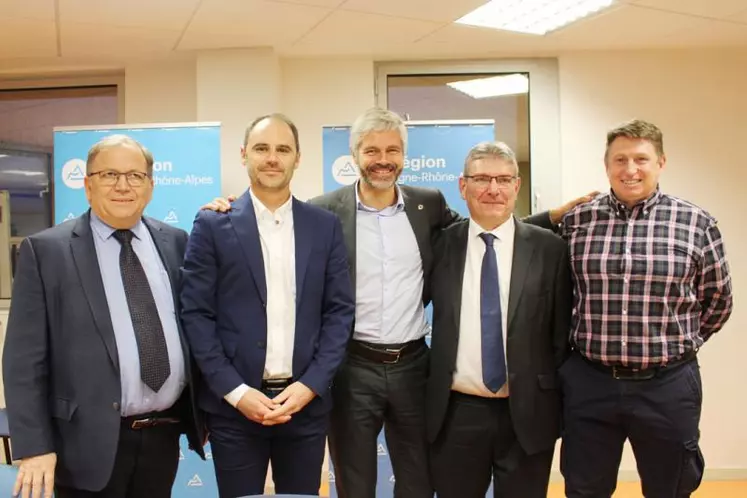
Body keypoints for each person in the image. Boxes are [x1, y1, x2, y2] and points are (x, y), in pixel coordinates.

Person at [202, 107, 594, 498]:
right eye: (372, 151)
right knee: (355, 483)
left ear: (404, 156)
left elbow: (487, 229)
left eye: (393, 151)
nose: (383, 160)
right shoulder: (323, 213)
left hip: (413, 368)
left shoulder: (428, 206)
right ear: (354, 155)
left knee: (418, 481)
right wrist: (233, 209)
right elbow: (274, 223)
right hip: (351, 367)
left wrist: (549, 217)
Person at [2, 135, 206, 498]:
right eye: (110, 174)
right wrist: (34, 446)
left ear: (150, 185)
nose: (123, 186)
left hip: (162, 436)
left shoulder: (176, 241)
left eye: (135, 176)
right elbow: (23, 361)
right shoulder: (47, 251)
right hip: (83, 443)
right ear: (88, 184)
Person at [540, 119, 733, 498]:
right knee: (584, 487)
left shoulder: (696, 223)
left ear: (661, 162)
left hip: (668, 384)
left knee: (671, 487)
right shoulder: (577, 220)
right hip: (589, 381)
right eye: (620, 159)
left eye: (641, 159)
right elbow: (557, 292)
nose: (630, 170)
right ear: (606, 164)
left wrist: (672, 345)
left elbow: (718, 302)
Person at [179, 113, 355, 498]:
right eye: (261, 148)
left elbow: (339, 311)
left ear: (298, 157)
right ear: (244, 155)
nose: (272, 158)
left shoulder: (324, 226)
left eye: (282, 149)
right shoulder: (212, 224)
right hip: (234, 408)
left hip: (304, 406)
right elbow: (196, 314)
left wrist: (311, 385)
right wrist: (236, 392)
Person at [426, 141, 571, 498]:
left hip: (528, 414)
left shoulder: (550, 249)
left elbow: (561, 336)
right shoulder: (438, 245)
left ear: (517, 186)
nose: (494, 189)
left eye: (504, 179)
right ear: (462, 186)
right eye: (482, 179)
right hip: (456, 413)